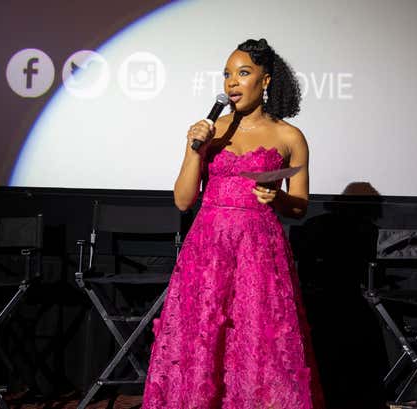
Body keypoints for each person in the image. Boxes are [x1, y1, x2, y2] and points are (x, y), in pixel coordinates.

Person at [142, 38, 325, 408]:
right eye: (228, 74)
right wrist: (193, 147)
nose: (232, 83)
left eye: (243, 73)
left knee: (258, 341)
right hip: (207, 249)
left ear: (266, 80)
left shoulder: (290, 137)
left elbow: (300, 206)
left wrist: (278, 198)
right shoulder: (211, 131)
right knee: (202, 340)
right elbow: (182, 200)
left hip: (258, 252)